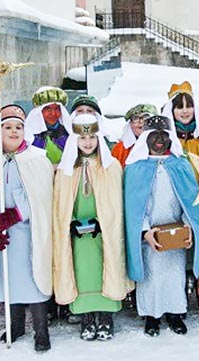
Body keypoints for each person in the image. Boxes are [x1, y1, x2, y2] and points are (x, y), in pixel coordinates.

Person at [0, 104, 54, 352]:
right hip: (0, 236)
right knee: (9, 280)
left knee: (33, 279)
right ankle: (15, 326)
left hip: (28, 234)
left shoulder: (37, 158)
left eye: (18, 127)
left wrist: (17, 213)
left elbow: (43, 197)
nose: (14, 132)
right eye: (8, 127)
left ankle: (41, 330)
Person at [52, 114, 134, 341]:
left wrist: (104, 222)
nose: (87, 143)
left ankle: (106, 317)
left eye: (92, 138)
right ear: (74, 141)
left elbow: (116, 204)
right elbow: (60, 204)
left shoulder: (111, 167)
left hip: (104, 232)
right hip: (77, 234)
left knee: (105, 268)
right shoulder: (66, 170)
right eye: (82, 138)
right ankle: (86, 317)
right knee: (81, 272)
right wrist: (71, 223)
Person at [123, 115, 199, 337]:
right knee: (150, 276)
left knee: (174, 274)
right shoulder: (135, 168)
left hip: (175, 233)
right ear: (146, 139)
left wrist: (188, 226)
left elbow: (190, 201)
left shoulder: (180, 165)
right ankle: (151, 316)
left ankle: (175, 313)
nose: (159, 140)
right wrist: (145, 231)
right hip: (149, 236)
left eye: (164, 135)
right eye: (154, 135)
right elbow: (133, 206)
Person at [163, 81, 199, 159]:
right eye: (180, 107)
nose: (185, 111)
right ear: (172, 110)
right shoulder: (165, 138)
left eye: (188, 106)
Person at [24, 86, 72, 165]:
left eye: (57, 109)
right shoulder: (29, 135)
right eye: (48, 109)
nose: (53, 114)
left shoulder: (68, 133)